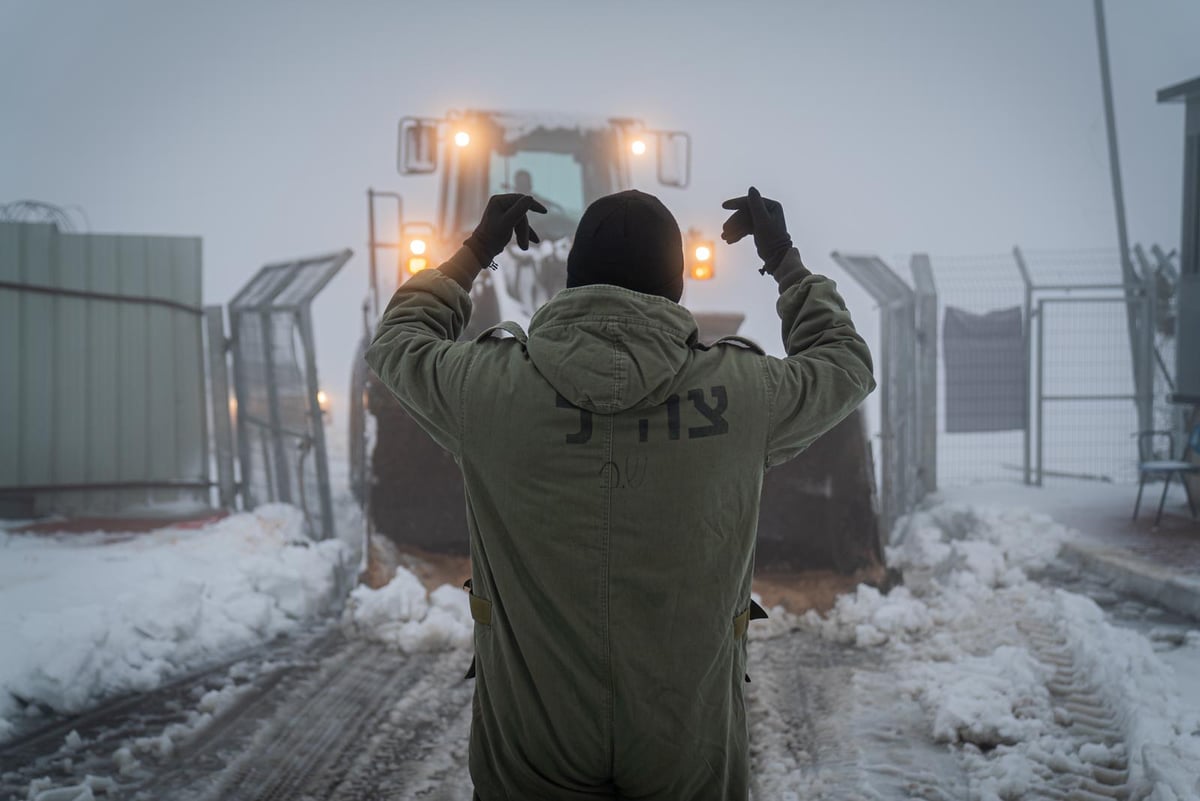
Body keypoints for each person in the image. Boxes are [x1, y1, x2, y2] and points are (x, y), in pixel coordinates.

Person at [364, 187, 875, 800]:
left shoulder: (485, 387)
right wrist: (783, 258)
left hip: (534, 736)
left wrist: (476, 252)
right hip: (683, 739)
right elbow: (845, 363)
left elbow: (397, 342)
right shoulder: (743, 393)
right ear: (678, 285)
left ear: (572, 278)